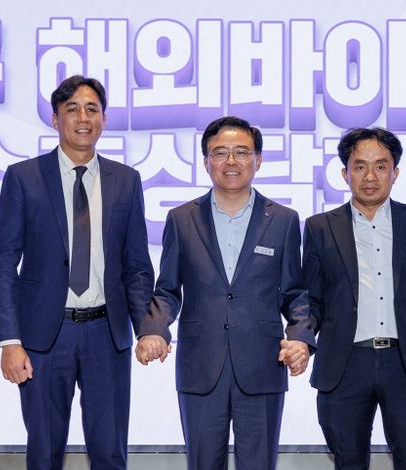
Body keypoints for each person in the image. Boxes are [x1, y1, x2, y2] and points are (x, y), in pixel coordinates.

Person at [0, 75, 154, 470]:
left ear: (104, 119)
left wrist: (147, 329)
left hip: (106, 334)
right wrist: (10, 340)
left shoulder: (125, 180)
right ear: (55, 119)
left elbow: (136, 265)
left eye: (92, 109)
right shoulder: (24, 177)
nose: (83, 118)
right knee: (44, 452)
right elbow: (4, 263)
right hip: (44, 338)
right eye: (72, 109)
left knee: (110, 452)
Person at [135, 116, 316, 470]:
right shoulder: (181, 219)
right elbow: (168, 289)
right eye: (220, 153)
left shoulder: (283, 220)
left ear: (258, 160)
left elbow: (294, 292)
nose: (231, 161)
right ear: (206, 162)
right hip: (200, 366)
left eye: (241, 152)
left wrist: (300, 338)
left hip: (263, 366)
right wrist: (154, 329)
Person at [302, 127, 406, 470]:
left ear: (395, 173)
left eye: (381, 166)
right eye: (360, 166)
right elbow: (312, 300)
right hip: (344, 364)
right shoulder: (320, 227)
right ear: (345, 173)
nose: (370, 177)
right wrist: (301, 341)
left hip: (405, 362)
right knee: (348, 462)